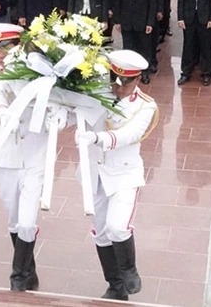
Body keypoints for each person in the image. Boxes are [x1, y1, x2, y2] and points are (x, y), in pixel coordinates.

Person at [77, 50, 158, 301]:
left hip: (124, 173)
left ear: (138, 79)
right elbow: (74, 112)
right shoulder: (96, 93)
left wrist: (97, 137)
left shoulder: (146, 106)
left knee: (118, 227)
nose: (119, 86)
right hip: (96, 172)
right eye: (115, 79)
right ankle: (115, 284)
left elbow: (128, 136)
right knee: (101, 232)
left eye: (126, 81)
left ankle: (129, 269)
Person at [0, 23, 49, 292]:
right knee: (13, 218)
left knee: (28, 221)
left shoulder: (40, 77)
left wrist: (60, 117)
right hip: (6, 153)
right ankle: (28, 271)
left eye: (6, 47)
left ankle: (17, 277)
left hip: (34, 152)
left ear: (19, 47)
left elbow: (60, 106)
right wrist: (3, 113)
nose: (1, 54)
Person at [114, 0, 156, 85]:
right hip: (126, 21)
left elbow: (152, 3)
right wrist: (118, 21)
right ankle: (128, 73)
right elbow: (117, 2)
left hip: (142, 22)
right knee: (128, 48)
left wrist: (150, 22)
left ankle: (144, 73)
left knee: (144, 48)